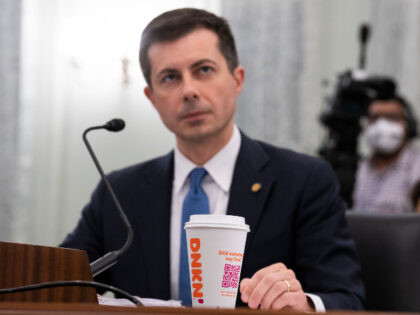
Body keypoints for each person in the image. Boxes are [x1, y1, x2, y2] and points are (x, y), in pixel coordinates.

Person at [61, 8, 364, 311]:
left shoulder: (304, 180)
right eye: (170, 77)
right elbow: (56, 282)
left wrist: (305, 305)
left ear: (237, 80)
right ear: (152, 98)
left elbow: (347, 299)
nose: (189, 91)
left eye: (203, 70)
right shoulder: (118, 193)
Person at [353, 95, 420, 213]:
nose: (381, 125)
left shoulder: (416, 168)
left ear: (408, 126)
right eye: (374, 118)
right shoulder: (363, 168)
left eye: (391, 118)